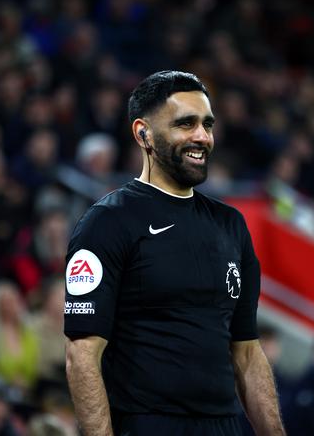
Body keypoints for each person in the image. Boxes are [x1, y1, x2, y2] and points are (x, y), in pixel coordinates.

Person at [64, 71, 285, 436]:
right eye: (186, 124)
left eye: (207, 124)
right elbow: (81, 356)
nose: (202, 136)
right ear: (143, 133)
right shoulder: (107, 223)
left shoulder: (231, 225)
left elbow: (246, 352)